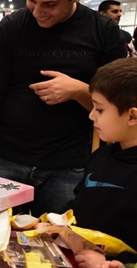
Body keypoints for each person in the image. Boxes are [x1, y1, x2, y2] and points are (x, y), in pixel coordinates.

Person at [0, 0, 127, 217]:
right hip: (6, 159)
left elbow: (118, 105)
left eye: (50, 4)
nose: (37, 11)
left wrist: (80, 91)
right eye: (31, 0)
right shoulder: (9, 29)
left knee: (58, 247)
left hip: (69, 167)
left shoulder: (104, 33)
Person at [70, 58, 137, 268]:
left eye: (99, 109)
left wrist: (111, 262)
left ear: (132, 116)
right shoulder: (101, 156)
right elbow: (79, 201)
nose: (91, 116)